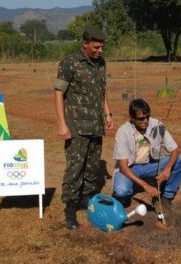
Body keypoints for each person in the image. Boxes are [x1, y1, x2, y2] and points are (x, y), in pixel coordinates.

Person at [54, 25, 114, 230]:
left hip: (96, 125)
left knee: (92, 166)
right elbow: (58, 93)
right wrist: (62, 124)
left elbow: (102, 90)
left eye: (102, 47)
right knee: (75, 168)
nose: (100, 51)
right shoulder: (70, 63)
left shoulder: (101, 64)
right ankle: (70, 208)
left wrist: (107, 113)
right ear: (85, 44)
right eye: (96, 47)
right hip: (77, 127)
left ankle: (86, 199)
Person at [112, 99, 181, 212]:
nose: (146, 121)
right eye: (141, 118)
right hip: (130, 168)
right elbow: (123, 167)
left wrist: (167, 169)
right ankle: (125, 196)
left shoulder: (157, 125)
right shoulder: (123, 132)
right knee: (121, 190)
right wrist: (145, 185)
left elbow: (175, 150)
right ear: (132, 118)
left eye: (147, 117)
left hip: (151, 165)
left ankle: (166, 196)